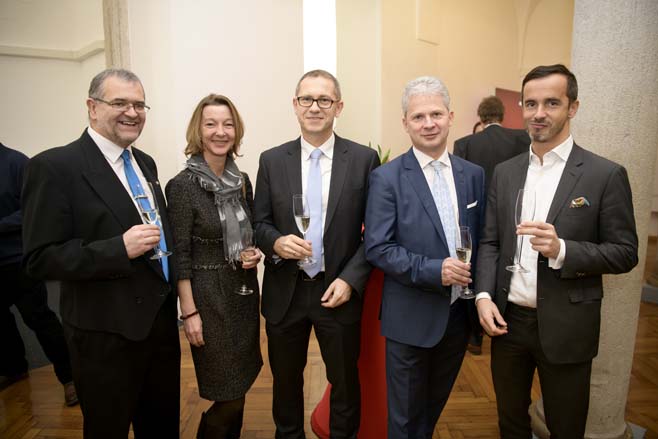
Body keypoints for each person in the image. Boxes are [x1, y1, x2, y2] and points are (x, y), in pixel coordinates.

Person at [475, 64, 638, 438]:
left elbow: (625, 252)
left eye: (551, 103)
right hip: (508, 323)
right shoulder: (505, 172)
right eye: (530, 104)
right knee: (510, 423)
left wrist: (563, 249)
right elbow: (490, 242)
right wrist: (483, 296)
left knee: (566, 428)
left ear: (573, 107)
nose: (539, 113)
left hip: (568, 326)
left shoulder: (604, 174)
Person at [21, 68, 181, 438]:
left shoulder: (144, 162)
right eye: (120, 103)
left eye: (139, 105)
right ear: (92, 108)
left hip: (159, 330)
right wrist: (117, 249)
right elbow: (40, 258)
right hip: (104, 338)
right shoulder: (54, 167)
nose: (132, 112)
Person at [253, 69, 379, 438]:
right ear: (295, 105)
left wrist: (351, 280)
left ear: (338, 107)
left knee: (344, 383)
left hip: (337, 290)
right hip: (285, 290)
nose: (315, 107)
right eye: (307, 99)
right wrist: (276, 243)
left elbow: (375, 234)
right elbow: (259, 223)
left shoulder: (364, 159)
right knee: (285, 383)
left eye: (324, 100)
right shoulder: (271, 160)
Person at [364, 76, 486, 439]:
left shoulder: (474, 175)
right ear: (405, 123)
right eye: (418, 117)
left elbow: (483, 239)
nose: (428, 123)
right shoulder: (386, 178)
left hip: (458, 317)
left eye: (436, 114)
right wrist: (435, 270)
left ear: (451, 117)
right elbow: (378, 247)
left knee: (430, 414)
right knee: (404, 422)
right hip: (409, 318)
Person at [165, 94, 263, 438]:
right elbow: (179, 255)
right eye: (211, 124)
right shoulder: (182, 187)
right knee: (228, 394)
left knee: (241, 384)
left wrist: (252, 253)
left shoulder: (242, 180)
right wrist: (189, 313)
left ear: (236, 131)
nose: (220, 132)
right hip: (209, 301)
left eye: (228, 124)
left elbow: (246, 236)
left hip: (243, 295)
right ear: (199, 130)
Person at [0, 143, 77, 406]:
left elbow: (33, 209)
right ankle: (14, 368)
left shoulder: (16, 163)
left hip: (18, 261)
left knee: (40, 319)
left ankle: (70, 377)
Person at [454, 96, 531, 355]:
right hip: (512, 216)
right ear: (502, 115)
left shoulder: (465, 143)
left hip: (476, 218)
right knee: (507, 267)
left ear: (481, 116)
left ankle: (474, 336)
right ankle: (502, 320)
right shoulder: (522, 138)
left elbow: (460, 187)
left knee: (474, 269)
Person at [454, 95, 530, 192]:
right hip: (511, 199)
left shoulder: (463, 144)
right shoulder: (523, 138)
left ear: (480, 118)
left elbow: (459, 183)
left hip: (479, 200)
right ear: (502, 116)